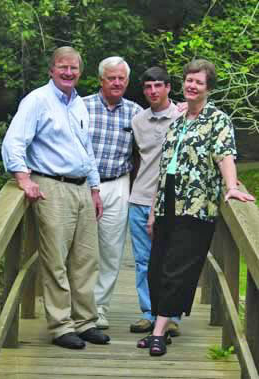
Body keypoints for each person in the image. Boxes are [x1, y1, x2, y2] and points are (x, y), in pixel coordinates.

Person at [137, 59, 255, 356]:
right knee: (156, 268)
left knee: (177, 269)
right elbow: (163, 169)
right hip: (167, 201)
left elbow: (225, 156)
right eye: (189, 80)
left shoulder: (218, 120)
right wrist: (152, 210)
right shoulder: (177, 119)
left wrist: (231, 187)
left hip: (197, 204)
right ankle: (158, 326)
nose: (191, 85)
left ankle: (159, 332)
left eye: (198, 82)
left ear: (208, 88)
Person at [2, 46, 110, 350]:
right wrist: (23, 178)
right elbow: (14, 140)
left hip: (81, 188)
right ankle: (62, 326)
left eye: (74, 68)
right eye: (62, 67)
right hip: (52, 186)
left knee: (86, 258)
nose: (68, 73)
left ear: (80, 71)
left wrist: (94, 188)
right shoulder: (38, 100)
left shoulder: (78, 104)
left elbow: (85, 149)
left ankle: (85, 321)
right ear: (51, 70)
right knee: (56, 260)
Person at [84, 57, 143, 329]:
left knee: (111, 249)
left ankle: (99, 309)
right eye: (112, 78)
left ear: (127, 82)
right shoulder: (81, 107)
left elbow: (160, 129)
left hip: (119, 183)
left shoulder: (136, 112)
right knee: (80, 250)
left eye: (121, 78)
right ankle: (79, 307)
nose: (117, 82)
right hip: (83, 185)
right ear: (101, 80)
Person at [129, 66, 182, 336]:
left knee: (171, 260)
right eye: (148, 87)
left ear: (168, 88)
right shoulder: (138, 121)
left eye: (158, 85)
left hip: (171, 202)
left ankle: (170, 316)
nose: (153, 91)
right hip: (139, 199)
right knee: (143, 261)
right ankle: (148, 313)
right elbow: (139, 159)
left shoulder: (184, 116)